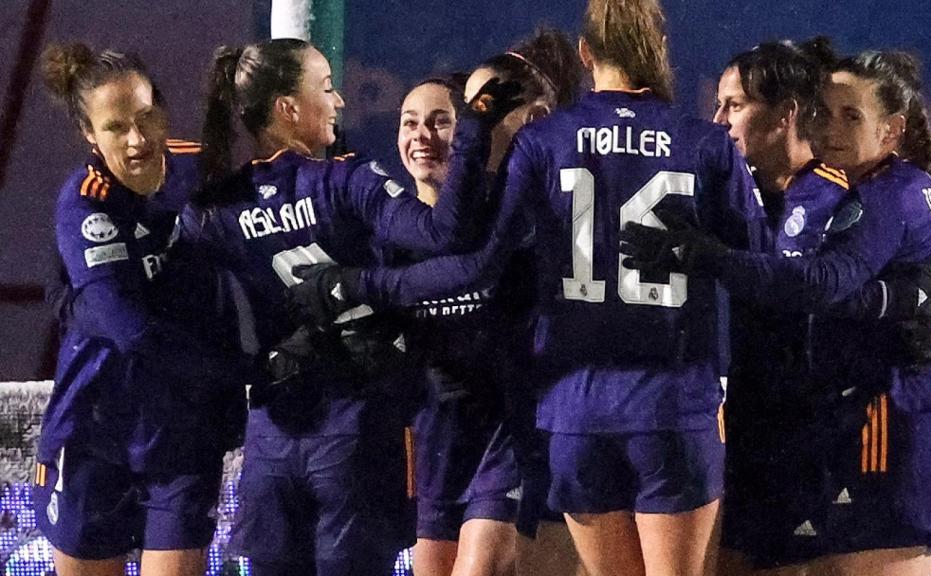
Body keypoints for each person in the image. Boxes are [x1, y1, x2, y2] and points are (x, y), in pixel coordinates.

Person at [286, 1, 769, 574]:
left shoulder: (545, 143)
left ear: (586, 54)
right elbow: (759, 269)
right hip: (672, 404)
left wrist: (359, 284)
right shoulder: (704, 143)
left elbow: (475, 263)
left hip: (576, 412)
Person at [622, 49, 931, 576]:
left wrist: (922, 315)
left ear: (786, 113)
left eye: (733, 105)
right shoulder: (727, 197)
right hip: (764, 441)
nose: (718, 122)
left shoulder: (871, 192)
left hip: (863, 428)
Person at [180, 38, 519, 576]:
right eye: (328, 88)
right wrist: (476, 127)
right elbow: (442, 232)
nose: (339, 103)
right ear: (290, 108)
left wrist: (253, 364)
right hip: (353, 435)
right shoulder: (342, 178)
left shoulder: (213, 211)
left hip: (272, 440)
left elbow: (189, 323)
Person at [34, 42, 245, 576]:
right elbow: (127, 328)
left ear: (163, 110)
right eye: (116, 127)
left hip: (181, 436)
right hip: (93, 430)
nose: (137, 138)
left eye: (147, 117)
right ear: (89, 134)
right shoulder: (85, 201)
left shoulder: (200, 169)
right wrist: (235, 373)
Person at [394, 28, 587, 576]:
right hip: (439, 438)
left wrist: (373, 287)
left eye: (447, 119)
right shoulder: (401, 220)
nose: (427, 136)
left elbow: (481, 268)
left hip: (513, 430)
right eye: (409, 122)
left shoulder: (538, 198)